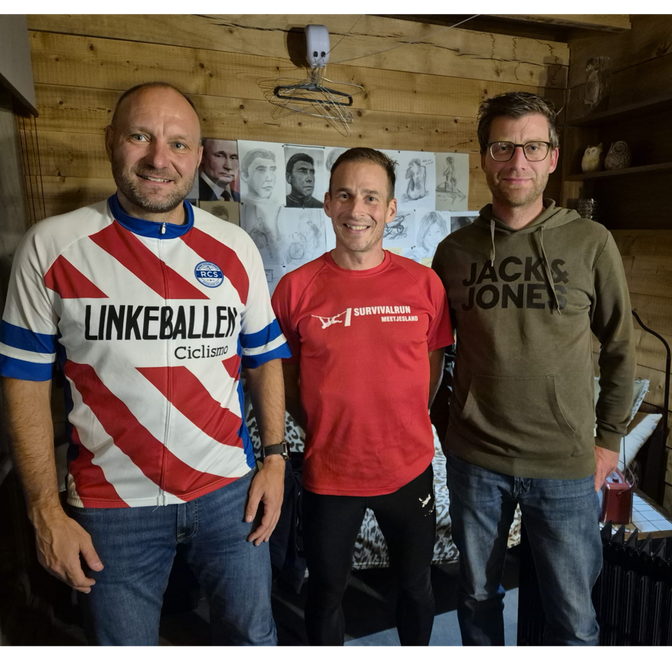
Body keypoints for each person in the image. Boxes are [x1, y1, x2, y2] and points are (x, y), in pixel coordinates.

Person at [0, 82, 291, 650]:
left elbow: (263, 360)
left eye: (178, 144)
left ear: (198, 156)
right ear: (110, 140)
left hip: (227, 493)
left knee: (253, 638)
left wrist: (276, 461)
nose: (160, 159)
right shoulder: (52, 246)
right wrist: (43, 511)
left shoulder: (235, 248)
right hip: (110, 505)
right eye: (140, 137)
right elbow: (23, 381)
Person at [431, 91, 636, 649]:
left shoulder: (591, 242)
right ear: (484, 157)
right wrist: (448, 425)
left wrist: (608, 441)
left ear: (552, 156)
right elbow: (433, 351)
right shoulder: (453, 252)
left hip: (565, 464)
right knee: (476, 600)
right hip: (476, 462)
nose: (517, 161)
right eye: (503, 147)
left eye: (533, 147)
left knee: (574, 620)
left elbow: (620, 345)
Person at [272, 148, 453, 649]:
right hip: (330, 474)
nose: (357, 209)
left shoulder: (425, 284)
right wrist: (321, 421)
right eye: (345, 195)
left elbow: (433, 363)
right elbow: (284, 375)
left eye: (371, 197)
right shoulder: (295, 289)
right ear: (327, 203)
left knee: (416, 586)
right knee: (326, 592)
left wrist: (404, 416)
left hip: (409, 470)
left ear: (391, 209)